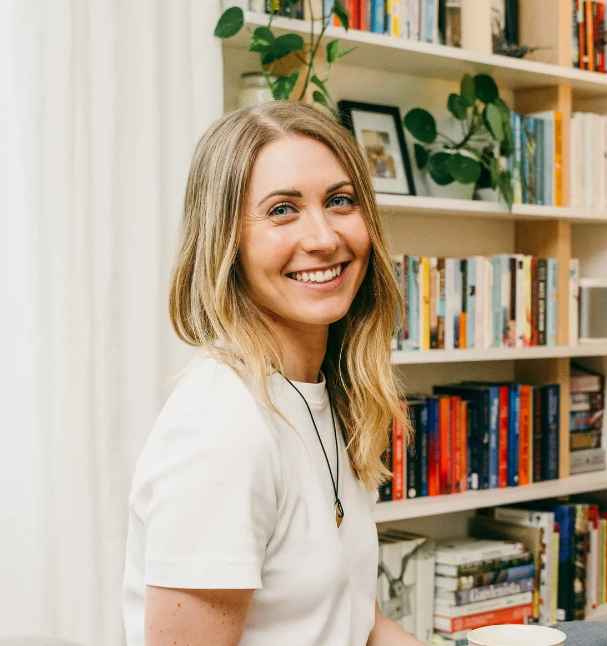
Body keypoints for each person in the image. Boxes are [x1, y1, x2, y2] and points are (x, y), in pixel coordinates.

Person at [122, 101, 423, 646]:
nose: (325, 237)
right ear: (227, 242)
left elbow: (357, 624)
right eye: (283, 210)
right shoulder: (221, 428)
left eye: (340, 201)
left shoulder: (323, 396)